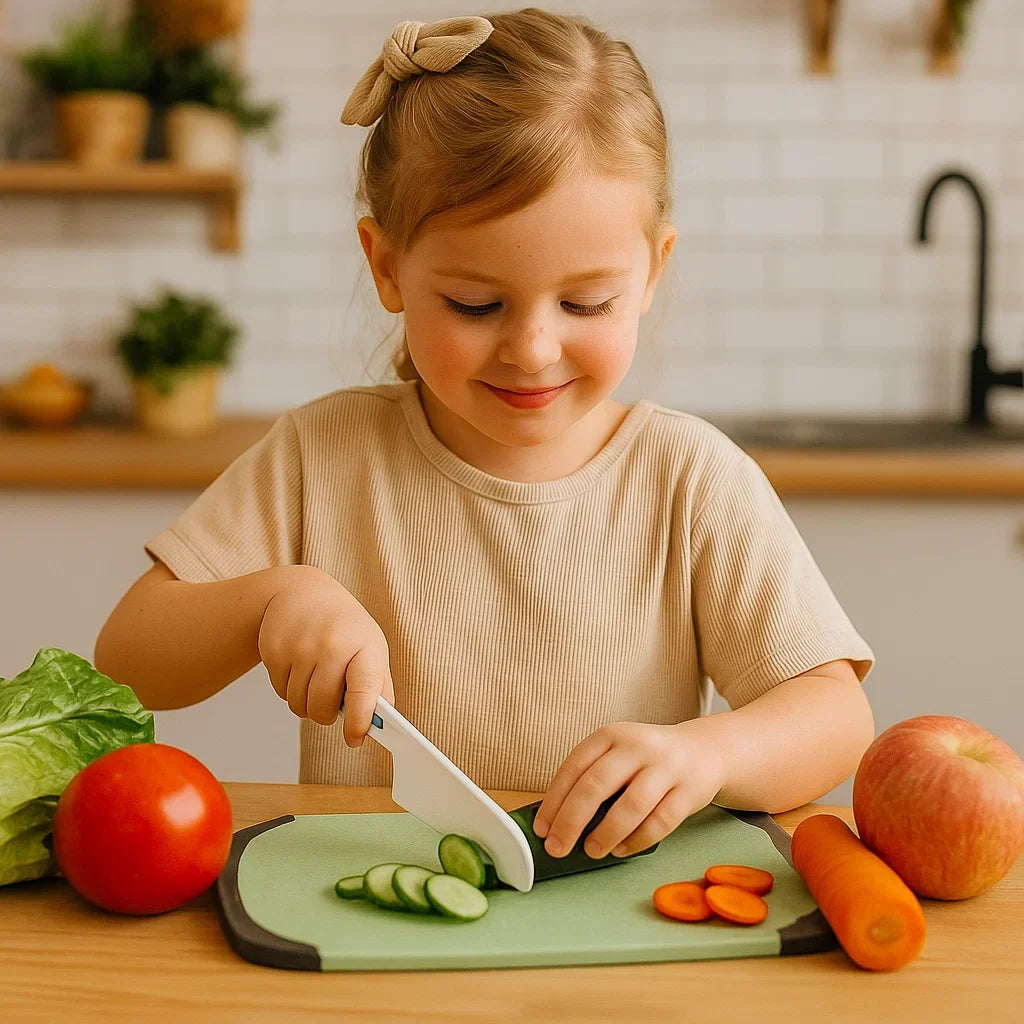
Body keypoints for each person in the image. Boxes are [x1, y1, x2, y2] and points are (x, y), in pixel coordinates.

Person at [95, 9, 875, 864]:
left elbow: (835, 717)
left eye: (586, 304)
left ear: (653, 269)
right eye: (476, 304)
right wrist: (269, 601)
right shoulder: (323, 455)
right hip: (374, 916)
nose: (533, 349)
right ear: (387, 267)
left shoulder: (690, 478)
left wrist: (710, 752)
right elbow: (128, 663)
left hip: (612, 941)